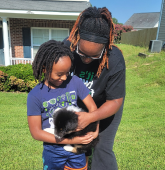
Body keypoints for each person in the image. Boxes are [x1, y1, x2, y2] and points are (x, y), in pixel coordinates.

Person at [63, 6, 126, 170]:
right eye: (82, 54)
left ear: (105, 48)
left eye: (94, 56)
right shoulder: (66, 48)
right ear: (76, 41)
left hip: (106, 105)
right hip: (76, 105)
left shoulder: (115, 59)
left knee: (102, 148)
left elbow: (115, 100)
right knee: (72, 145)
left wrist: (93, 117)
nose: (86, 61)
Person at [27, 40, 99, 170]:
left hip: (77, 150)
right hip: (53, 150)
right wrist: (73, 141)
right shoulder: (35, 95)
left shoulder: (75, 82)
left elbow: (93, 109)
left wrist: (95, 130)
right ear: (44, 68)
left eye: (67, 72)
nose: (65, 78)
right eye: (59, 74)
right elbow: (36, 133)